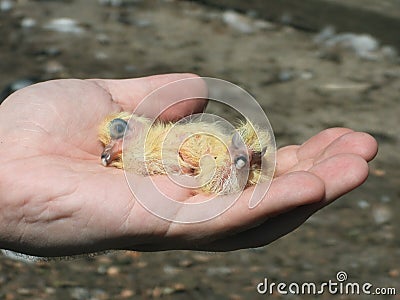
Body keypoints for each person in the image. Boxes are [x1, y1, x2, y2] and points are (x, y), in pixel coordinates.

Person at [0, 73, 378, 257]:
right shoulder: (137, 155)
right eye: (113, 141)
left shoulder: (158, 140)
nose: (113, 146)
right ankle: (238, 160)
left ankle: (239, 158)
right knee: (219, 171)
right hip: (207, 156)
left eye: (119, 133)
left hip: (204, 151)